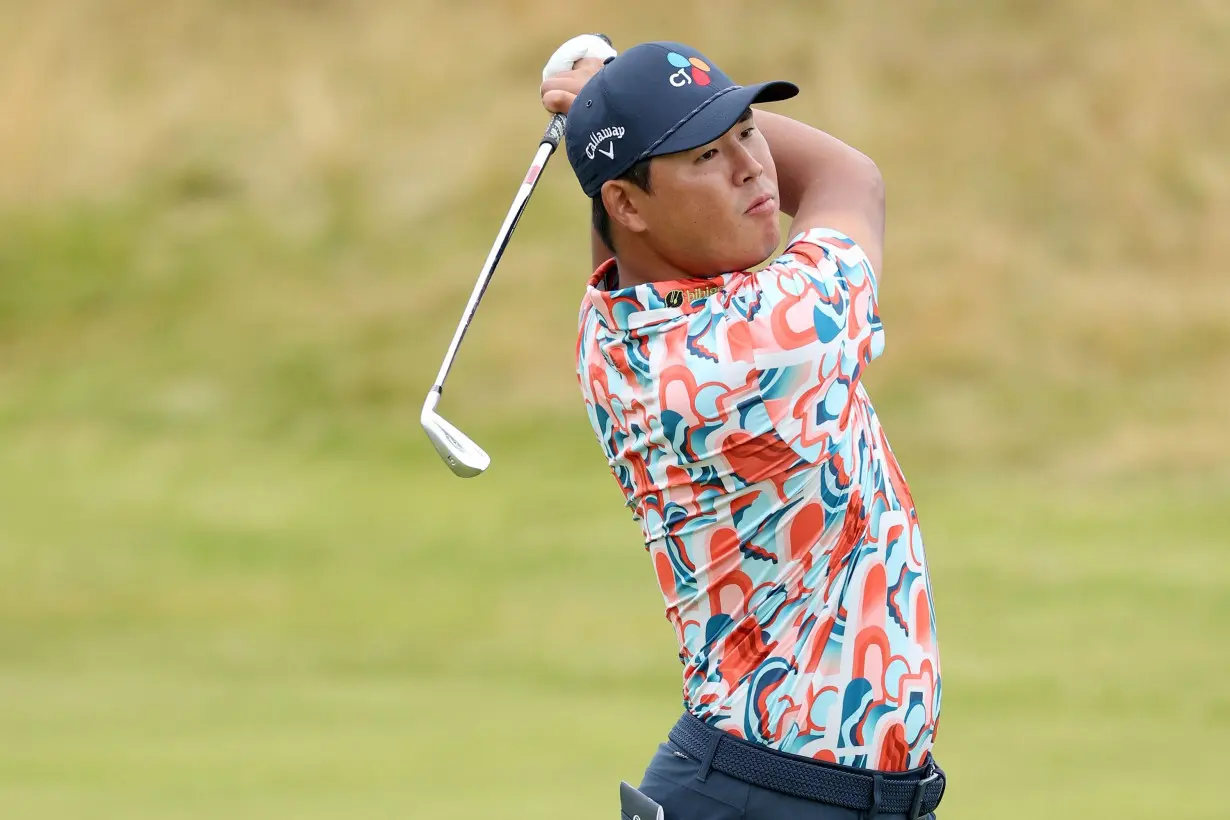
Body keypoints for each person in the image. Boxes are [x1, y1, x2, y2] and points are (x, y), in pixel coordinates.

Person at [540, 34, 947, 820]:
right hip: (777, 796)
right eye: (703, 154)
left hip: (758, 786)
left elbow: (623, 237)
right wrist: (610, 83)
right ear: (627, 201)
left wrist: (614, 110)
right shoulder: (769, 339)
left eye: (747, 131)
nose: (752, 168)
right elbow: (846, 178)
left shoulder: (611, 333)